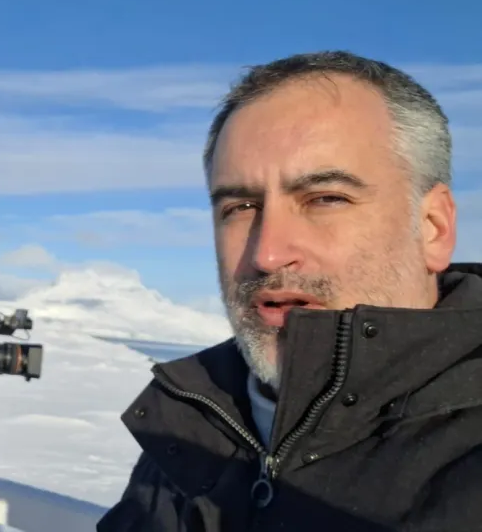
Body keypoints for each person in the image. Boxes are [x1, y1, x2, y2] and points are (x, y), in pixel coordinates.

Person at [98, 50, 482, 531]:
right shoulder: (191, 420)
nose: (267, 254)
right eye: (240, 207)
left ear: (432, 227)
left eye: (326, 198)